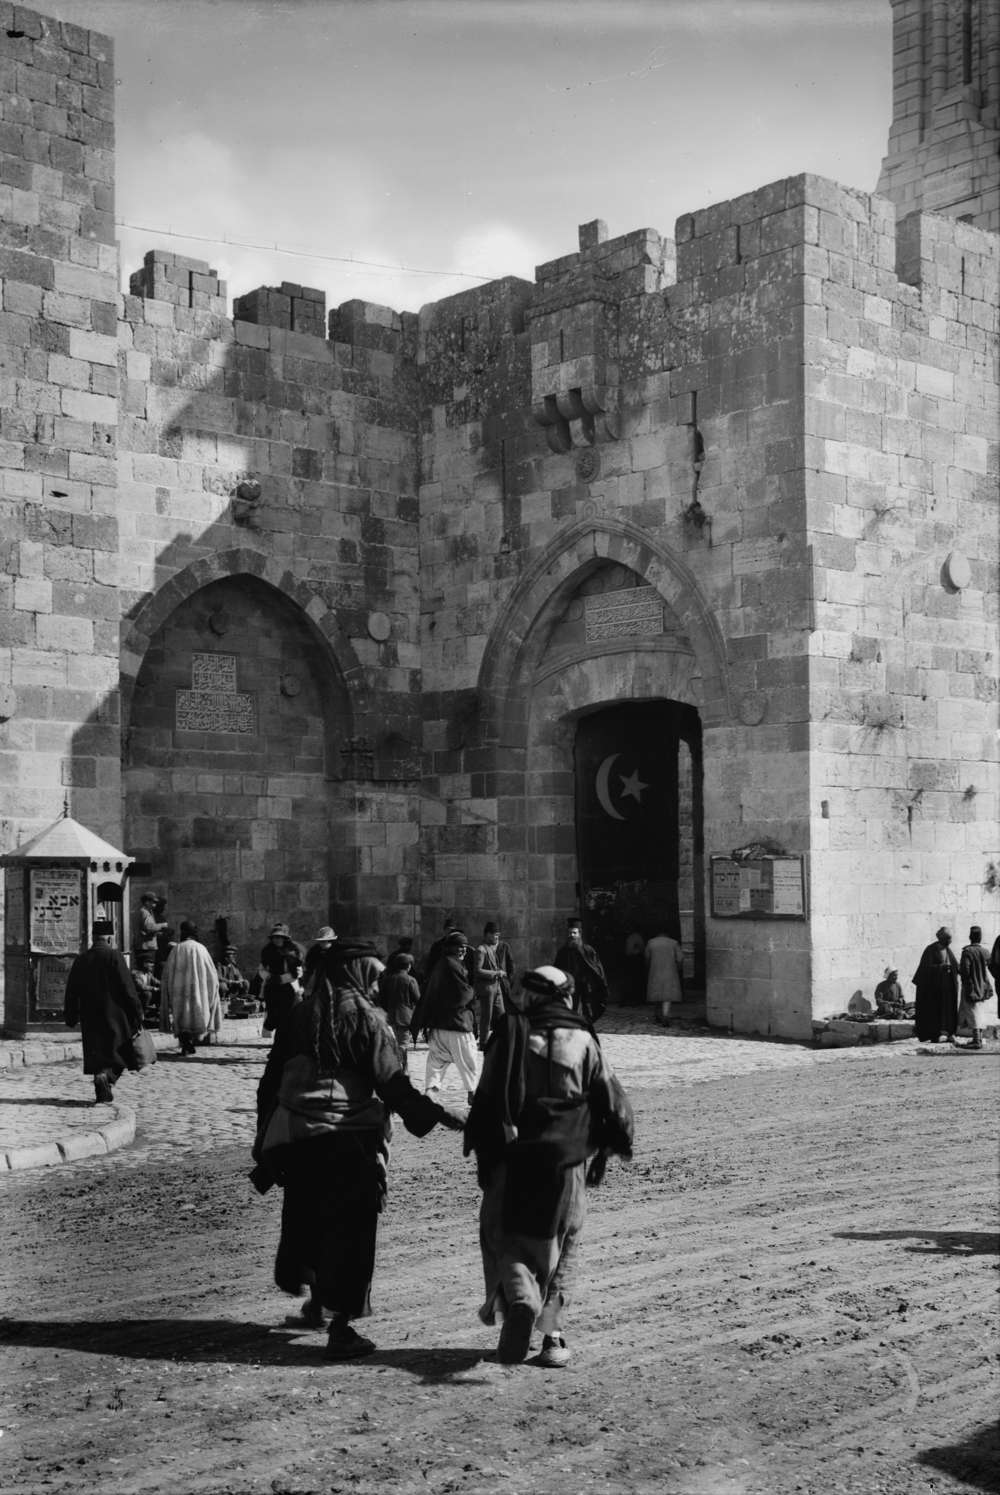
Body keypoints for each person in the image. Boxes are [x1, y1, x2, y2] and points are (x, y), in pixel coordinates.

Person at [253, 939, 465, 1359]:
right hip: (348, 1142)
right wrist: (439, 1113)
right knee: (350, 1235)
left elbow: (271, 1080)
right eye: (373, 974)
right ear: (357, 973)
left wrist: (265, 1138)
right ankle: (341, 1329)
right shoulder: (368, 1020)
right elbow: (392, 1085)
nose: (377, 982)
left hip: (298, 1139)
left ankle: (317, 1302)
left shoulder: (301, 1014)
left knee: (311, 1220)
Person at [464, 965, 633, 1367]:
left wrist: (481, 1151)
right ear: (566, 997)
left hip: (513, 1157)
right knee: (564, 1242)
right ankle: (552, 1338)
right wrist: (612, 1145)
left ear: (530, 996)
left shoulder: (510, 1035)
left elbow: (486, 1099)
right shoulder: (584, 1040)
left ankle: (521, 1297)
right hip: (567, 1159)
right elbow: (613, 1102)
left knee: (506, 1236)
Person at [64, 919, 146, 1104]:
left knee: (97, 1053)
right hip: (115, 1014)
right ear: (109, 938)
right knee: (121, 1052)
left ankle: (102, 1088)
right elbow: (128, 988)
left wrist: (71, 1015)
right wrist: (137, 1012)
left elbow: (72, 990)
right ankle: (107, 1077)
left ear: (93, 938)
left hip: (90, 1015)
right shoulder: (114, 956)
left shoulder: (82, 958)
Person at [417, 929, 479, 1104]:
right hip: (457, 1026)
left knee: (436, 1064)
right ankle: (473, 1096)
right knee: (469, 1062)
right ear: (450, 948)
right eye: (460, 946)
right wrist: (473, 991)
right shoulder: (453, 965)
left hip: (438, 1028)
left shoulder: (441, 965)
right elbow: (462, 995)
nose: (464, 950)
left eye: (465, 946)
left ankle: (430, 1095)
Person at [160, 920, 222, 1055]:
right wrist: (212, 990)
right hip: (198, 992)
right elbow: (212, 974)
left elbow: (167, 974)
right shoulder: (201, 949)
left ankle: (186, 1044)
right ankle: (190, 1043)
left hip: (179, 993)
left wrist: (169, 990)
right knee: (197, 1015)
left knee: (182, 1017)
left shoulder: (177, 949)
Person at [553, 918, 609, 1024]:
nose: (572, 935)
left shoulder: (588, 950)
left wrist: (595, 980)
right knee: (571, 1006)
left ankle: (587, 1024)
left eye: (574, 933)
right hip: (571, 984)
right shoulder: (562, 952)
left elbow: (597, 967)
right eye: (570, 933)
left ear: (579, 934)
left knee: (588, 1007)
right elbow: (557, 969)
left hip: (586, 984)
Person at [911, 925, 960, 1043]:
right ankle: (936, 1034)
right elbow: (925, 968)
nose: (950, 941)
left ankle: (948, 1032)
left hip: (947, 988)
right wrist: (941, 967)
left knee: (948, 1011)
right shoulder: (931, 950)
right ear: (941, 938)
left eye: (950, 938)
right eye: (948, 938)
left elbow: (955, 965)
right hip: (934, 989)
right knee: (936, 1012)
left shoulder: (948, 950)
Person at [473, 921, 515, 1051]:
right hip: (487, 988)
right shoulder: (481, 950)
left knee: (502, 1015)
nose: (497, 938)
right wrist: (496, 973)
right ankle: (483, 1043)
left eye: (498, 935)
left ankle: (502, 1040)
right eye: (495, 935)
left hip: (496, 988)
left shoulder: (492, 948)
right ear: (487, 935)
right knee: (487, 1017)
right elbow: (477, 971)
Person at [376, 952, 420, 1064]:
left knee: (393, 1043)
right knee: (403, 1044)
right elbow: (418, 1000)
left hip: (389, 1017)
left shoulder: (387, 979)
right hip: (405, 1018)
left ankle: (398, 1065)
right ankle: (401, 1066)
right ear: (408, 966)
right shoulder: (410, 980)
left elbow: (382, 1000)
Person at [259, 922, 304, 1033]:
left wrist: (282, 979)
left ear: (285, 938)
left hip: (289, 987)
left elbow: (298, 972)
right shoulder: (267, 951)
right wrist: (269, 977)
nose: (277, 940)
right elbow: (261, 969)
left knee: (288, 1015)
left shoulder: (293, 951)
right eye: (275, 937)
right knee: (273, 1014)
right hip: (272, 987)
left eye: (279, 937)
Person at [958, 926, 993, 1051]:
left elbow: (965, 971)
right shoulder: (985, 952)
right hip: (983, 986)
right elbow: (992, 967)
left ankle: (977, 1040)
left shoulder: (967, 952)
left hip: (971, 986)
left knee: (973, 1012)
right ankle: (979, 1038)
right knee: (979, 1011)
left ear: (970, 937)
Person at [645, 926, 684, 1022]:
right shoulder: (674, 943)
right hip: (670, 971)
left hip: (655, 971)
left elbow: (647, 957)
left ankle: (657, 1014)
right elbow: (680, 958)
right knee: (667, 995)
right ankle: (665, 1015)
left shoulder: (651, 942)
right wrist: (678, 968)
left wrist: (648, 967)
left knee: (656, 993)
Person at [132, 948, 161, 1025]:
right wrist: (154, 988)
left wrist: (164, 985)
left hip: (146, 995)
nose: (152, 965)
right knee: (147, 994)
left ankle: (158, 1012)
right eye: (150, 962)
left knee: (159, 992)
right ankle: (142, 1014)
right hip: (138, 996)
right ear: (144, 963)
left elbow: (156, 981)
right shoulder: (135, 974)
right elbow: (141, 987)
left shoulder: (148, 973)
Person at [136, 892, 167, 960]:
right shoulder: (145, 912)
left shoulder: (147, 912)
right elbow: (149, 927)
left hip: (146, 946)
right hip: (146, 948)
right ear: (147, 902)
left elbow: (145, 929)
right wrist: (163, 925)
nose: (155, 904)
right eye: (153, 902)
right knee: (148, 965)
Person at [623, 928, 646, 1005]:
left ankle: (631, 999)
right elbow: (642, 948)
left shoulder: (629, 937)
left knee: (631, 979)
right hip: (636, 959)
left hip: (630, 959)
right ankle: (637, 999)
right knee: (637, 979)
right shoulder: (637, 937)